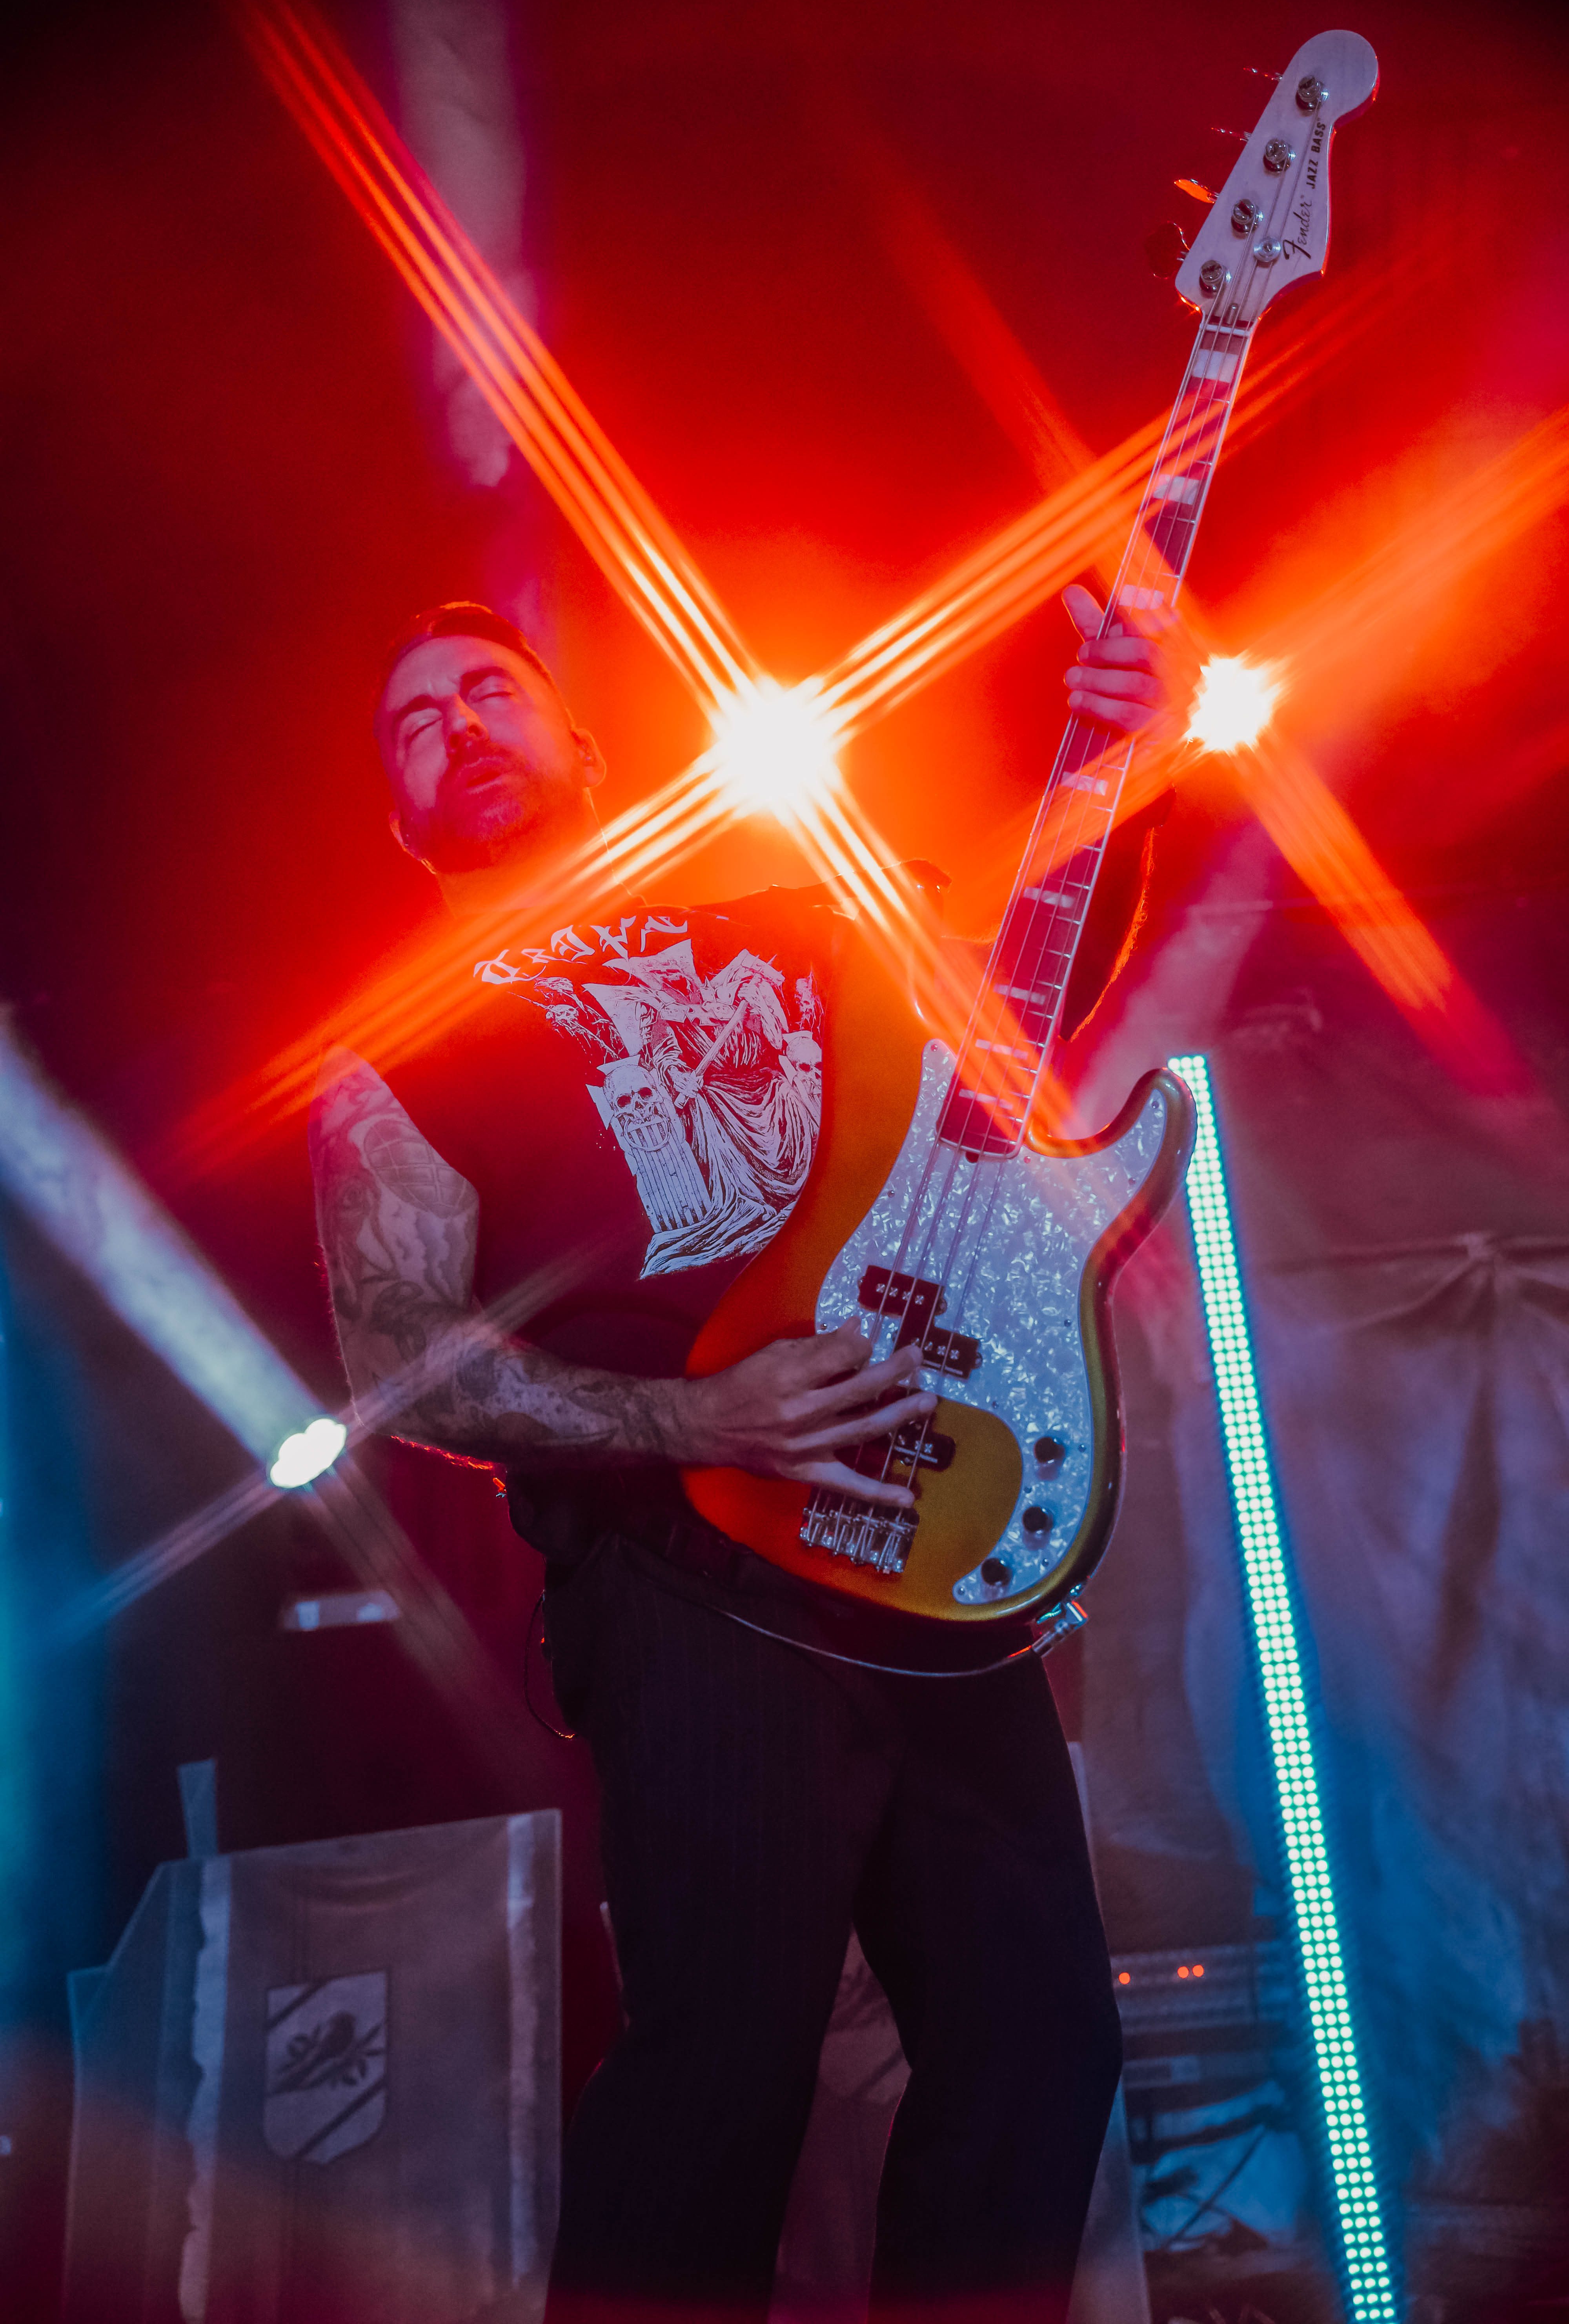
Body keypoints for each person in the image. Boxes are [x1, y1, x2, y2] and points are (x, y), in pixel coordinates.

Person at [310, 587, 1190, 2322]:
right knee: (723, 2077)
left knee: (1039, 2043)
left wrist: (1132, 762)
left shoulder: (806, 916)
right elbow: (398, 1362)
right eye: (415, 722)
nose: (459, 724)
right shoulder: (393, 1050)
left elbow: (1029, 991)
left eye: (489, 690)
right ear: (398, 814)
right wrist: (691, 1419)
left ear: (585, 747)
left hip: (925, 1547)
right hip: (690, 1581)